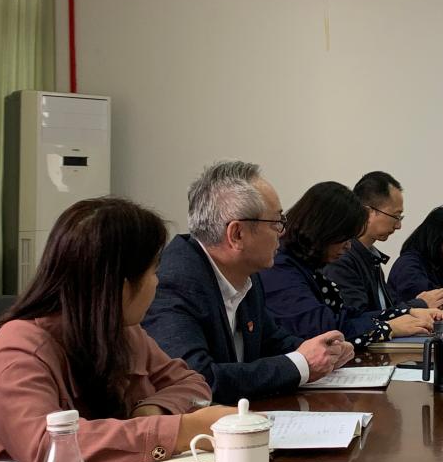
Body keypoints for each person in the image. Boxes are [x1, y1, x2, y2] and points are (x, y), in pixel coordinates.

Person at [0, 197, 234, 462]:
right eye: (153, 271)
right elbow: (46, 448)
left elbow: (190, 382)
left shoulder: (125, 332)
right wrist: (181, 430)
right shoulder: (19, 350)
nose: (157, 282)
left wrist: (155, 408)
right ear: (121, 286)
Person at [142, 161, 355, 404]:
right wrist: (301, 364)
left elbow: (272, 341)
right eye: (276, 222)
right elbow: (199, 382)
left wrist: (325, 352)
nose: (282, 232)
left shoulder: (246, 274)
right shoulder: (174, 282)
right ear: (237, 234)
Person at [260, 181, 442, 349]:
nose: (348, 246)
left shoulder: (305, 266)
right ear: (324, 230)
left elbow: (348, 315)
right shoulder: (280, 269)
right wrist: (388, 327)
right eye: (345, 238)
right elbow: (321, 329)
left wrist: (405, 312)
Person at [325, 172, 443, 311]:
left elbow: (388, 309)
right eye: (396, 216)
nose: (398, 226)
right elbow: (357, 318)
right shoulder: (343, 258)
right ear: (368, 212)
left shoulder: (371, 258)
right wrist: (419, 304)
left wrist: (420, 304)